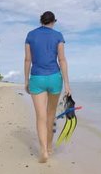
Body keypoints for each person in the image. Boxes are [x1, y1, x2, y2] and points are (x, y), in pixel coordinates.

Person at [24, 11, 71, 163]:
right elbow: (62, 60)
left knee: (40, 117)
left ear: (41, 21)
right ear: (53, 22)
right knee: (51, 115)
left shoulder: (30, 35)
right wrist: (67, 84)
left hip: (37, 78)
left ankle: (43, 150)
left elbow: (27, 60)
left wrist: (26, 81)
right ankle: (50, 147)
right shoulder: (58, 35)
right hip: (54, 78)